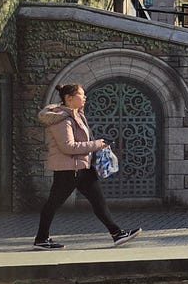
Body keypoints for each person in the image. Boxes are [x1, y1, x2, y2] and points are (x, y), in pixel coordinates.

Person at [33, 84, 142, 249]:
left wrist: (98, 146)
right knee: (53, 203)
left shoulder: (76, 115)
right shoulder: (62, 120)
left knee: (98, 202)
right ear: (69, 98)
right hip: (69, 170)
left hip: (83, 167)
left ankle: (117, 234)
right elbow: (68, 147)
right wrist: (96, 144)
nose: (85, 97)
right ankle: (41, 239)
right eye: (81, 95)